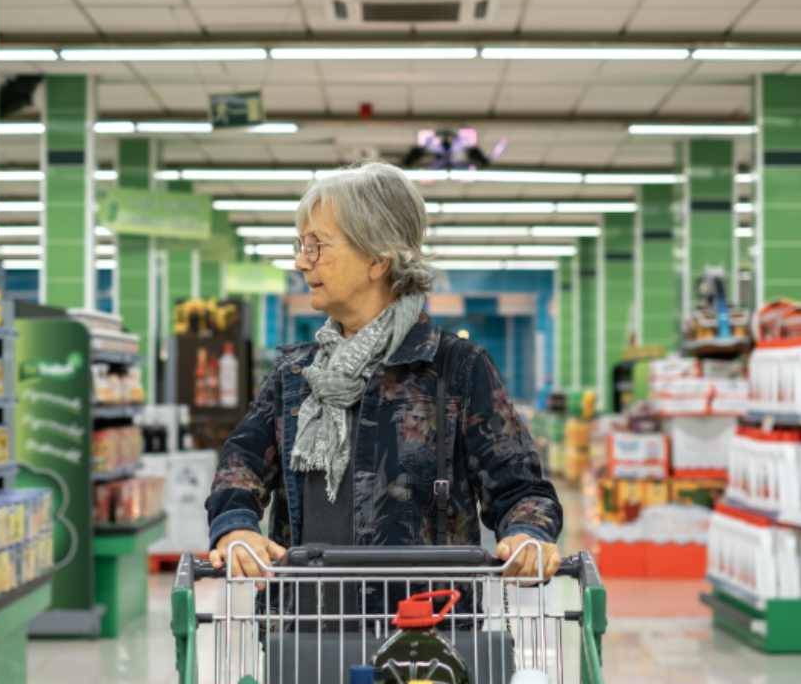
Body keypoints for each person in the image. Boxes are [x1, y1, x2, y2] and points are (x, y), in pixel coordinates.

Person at [206, 162, 564, 583]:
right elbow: (241, 464)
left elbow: (521, 488)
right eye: (302, 245)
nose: (302, 262)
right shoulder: (296, 375)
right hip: (309, 628)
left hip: (430, 629)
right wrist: (235, 527)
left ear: (377, 259)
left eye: (317, 245)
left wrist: (527, 535)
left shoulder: (456, 369)